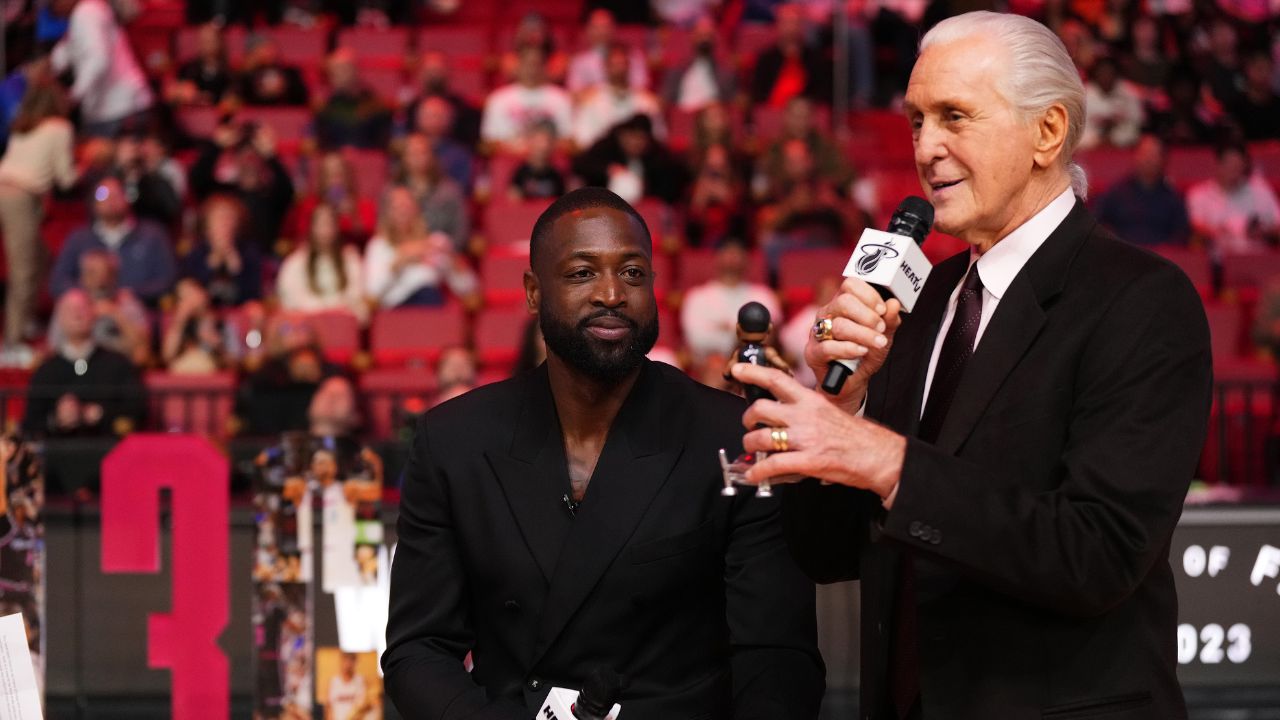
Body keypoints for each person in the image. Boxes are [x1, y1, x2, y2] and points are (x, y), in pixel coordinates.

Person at [728, 12, 1211, 720]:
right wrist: (843, 414)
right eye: (917, 120)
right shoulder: (919, 306)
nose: (927, 148)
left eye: (955, 116)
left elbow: (1099, 555)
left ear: (1047, 132)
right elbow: (830, 552)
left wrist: (888, 460)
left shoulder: (1142, 299)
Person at [383, 187, 824, 719]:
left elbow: (777, 658)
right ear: (532, 292)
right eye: (582, 273)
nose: (612, 293)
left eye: (633, 273)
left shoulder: (734, 437)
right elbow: (418, 651)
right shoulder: (453, 440)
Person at [0, 79, 76, 359]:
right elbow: (65, 178)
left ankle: (27, 319)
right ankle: (12, 341)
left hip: (10, 190)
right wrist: (90, 166)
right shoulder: (60, 128)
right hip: (18, 197)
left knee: (42, 257)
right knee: (24, 270)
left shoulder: (24, 127)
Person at [23, 290, 146, 438]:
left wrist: (101, 414)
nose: (77, 314)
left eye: (82, 308)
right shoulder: (46, 371)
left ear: (94, 314)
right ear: (59, 319)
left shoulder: (118, 364)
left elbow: (138, 413)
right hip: (57, 454)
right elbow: (30, 424)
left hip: (108, 450)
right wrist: (56, 420)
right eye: (70, 310)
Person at [50, 176, 176, 306]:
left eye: (116, 194)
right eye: (103, 195)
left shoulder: (152, 235)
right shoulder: (79, 239)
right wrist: (90, 296)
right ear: (93, 203)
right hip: (88, 311)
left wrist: (131, 294)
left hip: (138, 311)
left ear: (127, 198)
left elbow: (167, 280)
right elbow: (58, 282)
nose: (110, 200)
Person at [49, 0, 153, 137]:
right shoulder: (90, 11)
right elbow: (65, 53)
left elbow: (97, 59)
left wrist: (73, 96)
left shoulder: (86, 13)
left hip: (117, 109)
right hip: (121, 107)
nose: (53, 8)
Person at [363, 186, 477, 309]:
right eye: (397, 207)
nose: (403, 211)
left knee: (430, 295)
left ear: (416, 209)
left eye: (407, 206)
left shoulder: (435, 242)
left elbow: (469, 288)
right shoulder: (379, 246)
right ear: (387, 214)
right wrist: (399, 261)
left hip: (430, 303)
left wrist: (453, 260)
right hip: (395, 309)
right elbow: (372, 293)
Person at [681, 242, 780, 363]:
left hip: (754, 361)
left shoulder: (764, 295)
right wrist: (739, 336)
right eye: (727, 252)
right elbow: (697, 340)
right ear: (716, 258)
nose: (732, 257)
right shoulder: (697, 297)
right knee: (715, 364)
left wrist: (725, 329)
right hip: (712, 364)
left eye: (737, 253)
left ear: (747, 260)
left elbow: (767, 336)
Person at [52, 249, 151, 366]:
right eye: (92, 273)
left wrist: (116, 314)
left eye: (106, 274)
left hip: (115, 368)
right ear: (82, 277)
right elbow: (54, 347)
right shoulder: (70, 303)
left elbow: (142, 350)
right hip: (76, 366)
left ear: (115, 277)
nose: (100, 281)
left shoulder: (127, 303)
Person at [278, 203, 369, 323]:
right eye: (320, 224)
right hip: (309, 328)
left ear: (337, 227)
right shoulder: (295, 263)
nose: (325, 230)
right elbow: (290, 303)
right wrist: (322, 313)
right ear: (311, 228)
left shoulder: (351, 260)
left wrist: (337, 312)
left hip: (342, 327)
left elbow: (358, 298)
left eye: (329, 223)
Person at [1095, 134, 1190, 247]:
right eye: (1144, 153)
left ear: (1164, 159)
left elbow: (1181, 235)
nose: (1148, 159)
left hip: (1161, 259)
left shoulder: (1173, 198)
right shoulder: (1115, 193)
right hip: (1121, 257)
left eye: (1154, 155)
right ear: (1135, 156)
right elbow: (1096, 223)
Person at [1186, 141, 1280, 256]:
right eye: (1229, 164)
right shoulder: (1199, 194)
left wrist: (1264, 231)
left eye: (1238, 165)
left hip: (1257, 258)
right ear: (1217, 164)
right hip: (1217, 261)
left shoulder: (1261, 191)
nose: (1233, 170)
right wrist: (1214, 232)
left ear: (1245, 165)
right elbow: (1195, 227)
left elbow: (1277, 226)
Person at [572, 113, 688, 205]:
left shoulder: (656, 156)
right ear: (621, 136)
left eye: (641, 138)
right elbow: (580, 165)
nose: (636, 143)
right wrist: (608, 169)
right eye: (632, 137)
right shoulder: (605, 148)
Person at [572, 42, 666, 150]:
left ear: (629, 66)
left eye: (623, 63)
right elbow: (583, 140)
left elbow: (658, 139)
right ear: (605, 67)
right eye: (615, 64)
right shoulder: (591, 101)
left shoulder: (647, 103)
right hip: (602, 160)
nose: (620, 69)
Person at [480, 46, 573, 153]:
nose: (532, 69)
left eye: (536, 64)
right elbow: (486, 144)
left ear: (545, 67)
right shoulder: (498, 99)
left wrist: (539, 146)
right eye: (527, 64)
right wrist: (513, 147)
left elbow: (569, 142)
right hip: (510, 158)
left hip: (548, 160)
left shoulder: (560, 98)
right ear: (518, 66)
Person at [180, 194, 263, 308]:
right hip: (205, 312)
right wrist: (210, 266)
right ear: (208, 226)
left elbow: (253, 295)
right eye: (219, 219)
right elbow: (189, 286)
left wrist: (237, 270)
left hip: (239, 311)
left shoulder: (248, 253)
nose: (225, 225)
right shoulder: (197, 253)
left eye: (230, 219)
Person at [749, 4, 830, 108]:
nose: (791, 28)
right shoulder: (766, 60)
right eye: (786, 23)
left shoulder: (816, 60)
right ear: (778, 26)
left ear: (802, 26)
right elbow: (758, 94)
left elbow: (821, 95)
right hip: (771, 116)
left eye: (795, 23)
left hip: (804, 116)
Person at [291, 151, 378, 246]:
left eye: (339, 174)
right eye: (329, 175)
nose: (335, 181)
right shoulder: (309, 206)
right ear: (322, 180)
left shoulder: (364, 206)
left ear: (348, 177)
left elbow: (371, 242)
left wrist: (354, 217)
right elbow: (301, 240)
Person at [313, 48, 393, 151]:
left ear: (355, 70)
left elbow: (382, 146)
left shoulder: (375, 106)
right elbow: (322, 145)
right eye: (332, 71)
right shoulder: (325, 108)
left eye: (341, 69)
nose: (335, 75)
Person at [660, 14, 737, 112]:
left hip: (712, 117)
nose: (704, 40)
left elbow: (731, 99)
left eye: (708, 36)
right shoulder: (677, 69)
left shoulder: (725, 72)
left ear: (714, 39)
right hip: (683, 115)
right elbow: (666, 97)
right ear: (693, 37)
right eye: (701, 35)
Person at [565, 9, 649, 96]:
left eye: (606, 27)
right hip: (593, 107)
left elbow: (641, 89)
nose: (602, 32)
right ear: (587, 30)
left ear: (614, 28)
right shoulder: (579, 62)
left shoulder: (634, 56)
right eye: (596, 27)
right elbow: (574, 93)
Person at [1080, 55, 1144, 149]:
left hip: (1124, 149)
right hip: (1091, 150)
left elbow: (1137, 124)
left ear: (1116, 74)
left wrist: (1115, 133)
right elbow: (1078, 131)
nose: (1106, 76)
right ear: (1095, 74)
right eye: (1102, 72)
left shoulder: (1130, 93)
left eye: (1110, 72)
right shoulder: (1083, 95)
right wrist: (1099, 138)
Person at [167, 22, 234, 106]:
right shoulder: (189, 69)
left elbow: (232, 98)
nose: (205, 45)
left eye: (210, 40)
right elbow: (173, 95)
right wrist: (190, 95)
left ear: (219, 42)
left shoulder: (228, 72)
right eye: (202, 40)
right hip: (191, 114)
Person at [233, 35, 309, 107]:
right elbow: (235, 98)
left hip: (286, 114)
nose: (270, 52)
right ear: (252, 53)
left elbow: (302, 96)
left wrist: (285, 84)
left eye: (271, 47)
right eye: (264, 48)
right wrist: (246, 72)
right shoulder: (244, 77)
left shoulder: (290, 73)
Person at [507, 121, 566, 200]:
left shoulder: (556, 175)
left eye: (548, 141)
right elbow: (513, 200)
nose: (543, 146)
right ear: (530, 141)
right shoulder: (520, 173)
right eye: (539, 141)